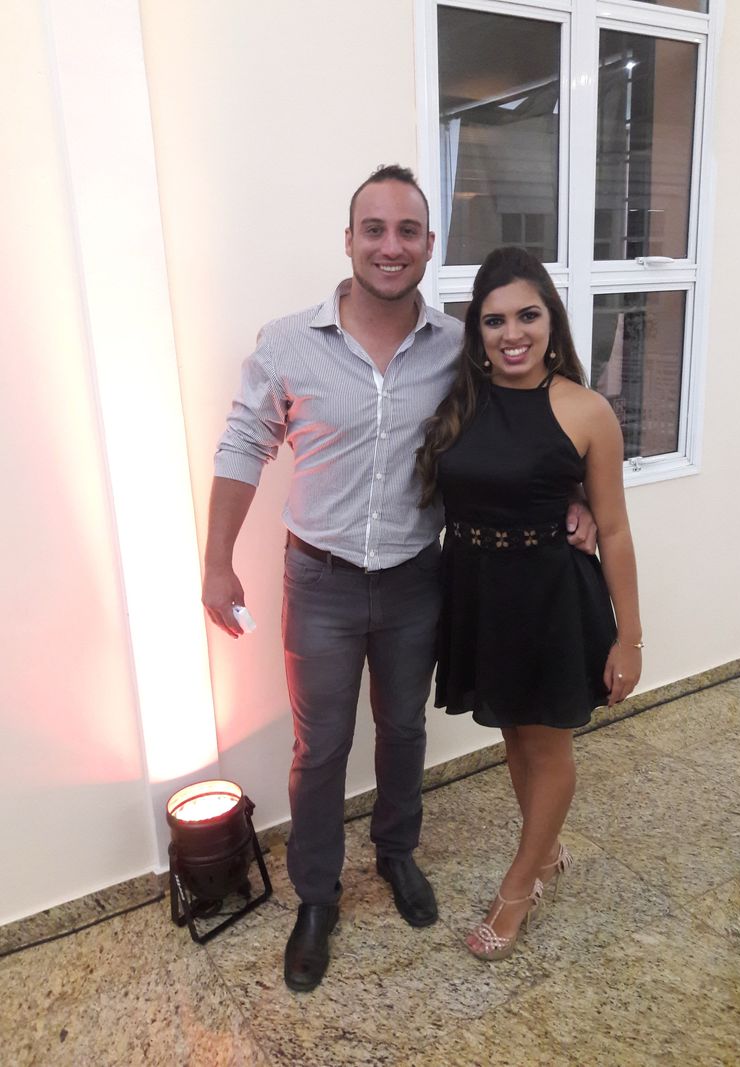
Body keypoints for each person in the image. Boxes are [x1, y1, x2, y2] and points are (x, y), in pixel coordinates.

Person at [202, 166, 597, 992]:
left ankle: (396, 852)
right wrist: (216, 560)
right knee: (320, 748)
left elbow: (521, 426)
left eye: (408, 231)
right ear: (349, 240)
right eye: (374, 230)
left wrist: (577, 500)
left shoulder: (460, 348)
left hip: (419, 576)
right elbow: (242, 444)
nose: (391, 246)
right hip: (321, 579)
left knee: (404, 729)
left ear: (428, 244)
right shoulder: (287, 343)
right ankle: (318, 896)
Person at [416, 245, 642, 961]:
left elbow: (614, 529)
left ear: (552, 321)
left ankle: (519, 886)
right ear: (477, 330)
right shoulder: (463, 397)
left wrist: (630, 638)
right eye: (494, 320)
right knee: (515, 735)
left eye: (527, 316)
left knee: (546, 744)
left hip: (549, 600)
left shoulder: (586, 409)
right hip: (480, 594)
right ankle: (545, 852)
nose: (512, 334)